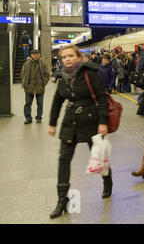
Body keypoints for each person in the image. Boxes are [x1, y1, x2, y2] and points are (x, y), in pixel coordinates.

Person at [48, 45, 111, 218]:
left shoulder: (89, 74)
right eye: (63, 57)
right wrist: (52, 123)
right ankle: (62, 200)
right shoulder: (62, 77)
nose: (66, 59)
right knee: (63, 159)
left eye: (70, 56)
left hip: (91, 120)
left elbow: (101, 98)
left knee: (98, 155)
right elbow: (57, 101)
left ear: (78, 57)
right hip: (70, 122)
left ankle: (107, 181)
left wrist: (103, 122)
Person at [20, 49, 50, 124]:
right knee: (27, 104)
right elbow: (23, 74)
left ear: (39, 55)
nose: (36, 55)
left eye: (37, 54)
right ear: (31, 55)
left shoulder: (43, 64)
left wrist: (44, 82)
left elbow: (47, 74)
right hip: (29, 87)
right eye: (34, 54)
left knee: (40, 104)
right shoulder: (26, 64)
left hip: (40, 87)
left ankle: (39, 118)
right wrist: (25, 83)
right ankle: (28, 118)